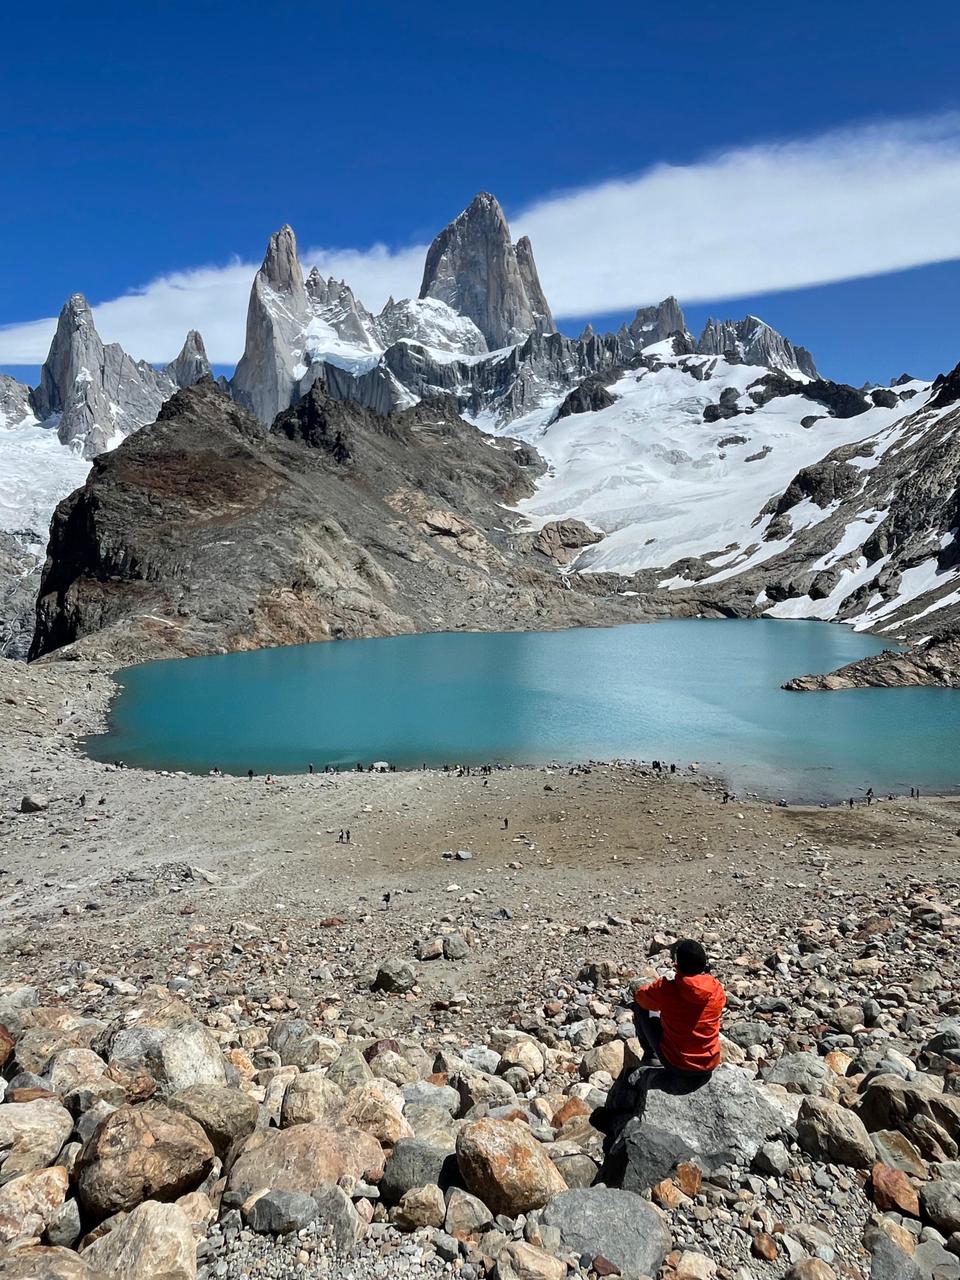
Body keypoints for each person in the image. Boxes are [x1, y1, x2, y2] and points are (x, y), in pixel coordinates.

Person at [632, 940, 726, 1080]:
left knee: (640, 1008)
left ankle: (651, 1057)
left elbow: (641, 997)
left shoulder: (666, 989)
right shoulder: (716, 989)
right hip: (709, 1064)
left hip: (678, 1064)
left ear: (677, 965)